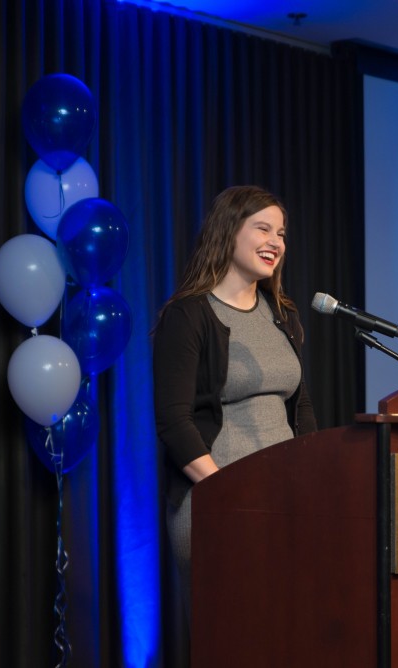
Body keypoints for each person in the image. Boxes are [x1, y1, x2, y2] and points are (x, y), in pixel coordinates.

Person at [152, 184, 318, 621]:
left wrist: (317, 479)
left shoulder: (284, 315)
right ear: (229, 231)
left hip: (286, 502)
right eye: (263, 228)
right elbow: (174, 422)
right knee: (234, 638)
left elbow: (300, 410)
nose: (276, 243)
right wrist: (229, 492)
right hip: (216, 501)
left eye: (281, 233)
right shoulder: (188, 315)